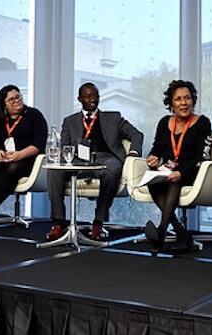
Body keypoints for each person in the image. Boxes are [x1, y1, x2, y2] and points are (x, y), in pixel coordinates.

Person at [45, 83, 144, 242]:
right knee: (53, 170)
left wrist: (133, 152)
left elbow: (137, 135)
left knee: (113, 168)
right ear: (80, 99)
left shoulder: (113, 118)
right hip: (78, 160)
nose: (93, 99)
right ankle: (58, 223)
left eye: (95, 96)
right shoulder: (70, 121)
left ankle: (98, 222)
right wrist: (66, 157)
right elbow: (65, 147)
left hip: (105, 159)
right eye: (88, 96)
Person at [142, 80, 212, 252]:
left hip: (192, 171)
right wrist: (153, 158)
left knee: (173, 181)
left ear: (193, 100)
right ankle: (181, 232)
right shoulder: (164, 122)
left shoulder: (203, 123)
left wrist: (181, 172)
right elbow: (157, 149)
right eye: (178, 99)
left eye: (187, 98)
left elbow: (202, 157)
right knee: (153, 180)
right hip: (166, 170)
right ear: (171, 104)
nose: (184, 103)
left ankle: (161, 231)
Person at [0, 85, 48, 231]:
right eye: (11, 99)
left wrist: (19, 155)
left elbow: (38, 145)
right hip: (3, 159)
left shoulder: (34, 115)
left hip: (26, 159)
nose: (17, 101)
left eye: (18, 97)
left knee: (13, 168)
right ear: (3, 103)